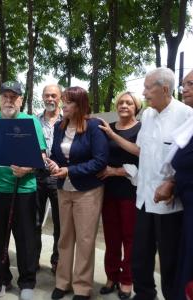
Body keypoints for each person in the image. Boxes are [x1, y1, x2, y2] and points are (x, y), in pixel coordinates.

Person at [99, 67, 193, 300]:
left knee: (170, 261)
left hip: (169, 204)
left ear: (164, 89)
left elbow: (186, 160)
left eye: (148, 88)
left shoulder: (185, 115)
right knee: (140, 257)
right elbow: (139, 150)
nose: (144, 92)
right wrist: (113, 136)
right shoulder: (148, 115)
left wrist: (171, 182)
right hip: (142, 198)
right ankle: (144, 295)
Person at [0, 81, 46, 300]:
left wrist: (28, 167)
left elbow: (42, 156)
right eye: (5, 96)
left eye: (14, 97)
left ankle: (27, 283)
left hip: (24, 189)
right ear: (0, 99)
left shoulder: (31, 121)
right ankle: (1, 280)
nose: (9, 101)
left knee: (26, 238)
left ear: (21, 100)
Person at [47, 86, 108, 300]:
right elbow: (56, 153)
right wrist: (53, 163)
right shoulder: (59, 127)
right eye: (64, 101)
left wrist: (70, 170)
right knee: (64, 238)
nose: (63, 105)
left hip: (87, 191)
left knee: (84, 239)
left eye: (68, 102)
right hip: (64, 189)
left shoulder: (94, 126)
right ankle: (63, 282)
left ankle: (82, 287)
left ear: (80, 105)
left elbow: (100, 161)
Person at [96, 91, 142, 299]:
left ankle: (127, 280)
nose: (124, 105)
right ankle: (111, 276)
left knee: (130, 238)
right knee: (111, 237)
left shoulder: (141, 128)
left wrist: (116, 171)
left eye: (129, 103)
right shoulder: (109, 127)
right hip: (109, 191)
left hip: (131, 191)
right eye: (121, 102)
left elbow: (142, 156)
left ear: (136, 107)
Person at [157, 70, 193, 299]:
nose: (185, 89)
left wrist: (173, 183)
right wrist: (173, 182)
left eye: (190, 83)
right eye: (183, 85)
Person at [35, 84, 62, 273]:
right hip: (36, 176)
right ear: (42, 97)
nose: (50, 99)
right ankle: (33, 259)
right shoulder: (34, 121)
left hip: (60, 177)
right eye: (47, 95)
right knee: (34, 221)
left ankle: (57, 260)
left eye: (54, 95)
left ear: (60, 97)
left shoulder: (67, 120)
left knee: (60, 223)